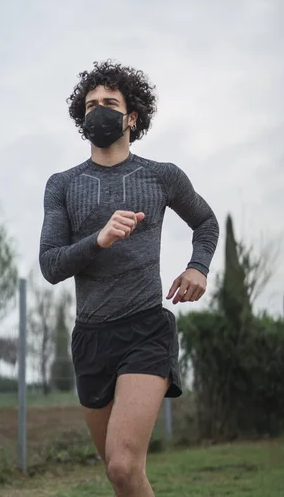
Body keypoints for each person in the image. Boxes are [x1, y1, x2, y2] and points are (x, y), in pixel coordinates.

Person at [39, 60, 219, 497]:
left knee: (122, 465)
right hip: (90, 338)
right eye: (91, 104)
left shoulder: (162, 176)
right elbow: (50, 265)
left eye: (110, 103)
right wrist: (97, 240)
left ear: (131, 117)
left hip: (145, 329)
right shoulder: (63, 185)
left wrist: (198, 266)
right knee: (124, 475)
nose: (98, 110)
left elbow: (206, 222)